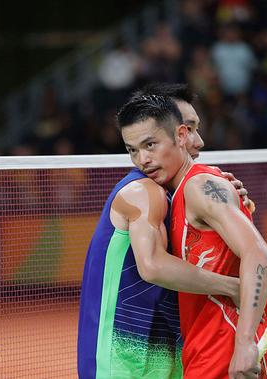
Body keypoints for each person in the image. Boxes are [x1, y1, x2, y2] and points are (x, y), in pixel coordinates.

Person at [78, 84, 251, 378]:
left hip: (166, 344)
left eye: (194, 129)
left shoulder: (181, 192)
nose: (198, 141)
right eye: (188, 128)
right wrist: (233, 287)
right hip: (121, 355)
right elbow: (153, 265)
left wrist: (230, 202)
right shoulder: (143, 191)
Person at [117, 92, 267, 378]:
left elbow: (258, 253)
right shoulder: (176, 195)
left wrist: (245, 343)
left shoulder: (200, 186)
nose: (142, 159)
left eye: (150, 145)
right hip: (204, 345)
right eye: (132, 150)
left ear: (180, 136)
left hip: (232, 344)